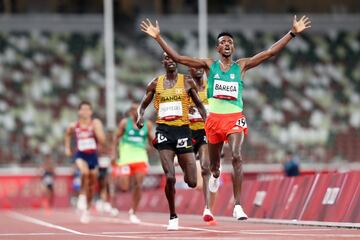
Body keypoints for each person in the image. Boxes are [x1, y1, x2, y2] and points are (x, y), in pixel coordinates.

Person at [141, 15, 311, 220]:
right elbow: (178, 58)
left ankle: (238, 205)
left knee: (237, 155)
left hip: (234, 117)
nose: (227, 44)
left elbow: (269, 53)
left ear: (234, 48)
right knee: (213, 167)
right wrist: (158, 38)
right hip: (214, 121)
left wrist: (291, 33)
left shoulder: (241, 66)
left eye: (230, 42)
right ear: (217, 49)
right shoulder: (208, 65)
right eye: (223, 42)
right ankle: (215, 174)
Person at [136, 53, 207, 230]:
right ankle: (173, 216)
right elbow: (143, 104)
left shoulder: (187, 81)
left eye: (172, 58)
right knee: (169, 177)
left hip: (183, 130)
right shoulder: (155, 83)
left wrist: (208, 122)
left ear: (177, 62)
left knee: (192, 182)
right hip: (164, 131)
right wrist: (140, 116)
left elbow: (199, 105)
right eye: (166, 58)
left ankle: (180, 160)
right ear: (163, 62)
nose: (170, 61)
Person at [112, 102, 154, 223]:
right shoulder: (125, 123)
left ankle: (133, 211)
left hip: (140, 158)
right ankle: (113, 200)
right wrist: (114, 154)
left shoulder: (148, 125)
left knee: (138, 185)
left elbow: (152, 141)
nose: (137, 112)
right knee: (124, 187)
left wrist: (153, 147)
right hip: (125, 158)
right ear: (131, 112)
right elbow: (116, 138)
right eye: (134, 110)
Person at [65, 101, 106, 223]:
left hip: (92, 155)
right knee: (84, 173)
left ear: (91, 112)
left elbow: (102, 140)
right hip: (80, 154)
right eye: (83, 109)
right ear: (79, 112)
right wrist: (67, 148)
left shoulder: (95, 123)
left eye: (88, 109)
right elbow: (67, 135)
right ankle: (82, 196)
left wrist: (97, 131)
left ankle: (87, 210)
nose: (85, 112)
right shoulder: (73, 125)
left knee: (92, 183)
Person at [187, 67, 217, 223]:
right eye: (194, 68)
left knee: (206, 168)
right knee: (191, 179)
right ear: (189, 72)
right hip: (189, 133)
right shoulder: (186, 88)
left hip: (206, 133)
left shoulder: (211, 88)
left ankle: (207, 208)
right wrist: (186, 109)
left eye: (200, 68)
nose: (198, 70)